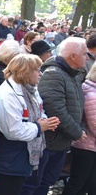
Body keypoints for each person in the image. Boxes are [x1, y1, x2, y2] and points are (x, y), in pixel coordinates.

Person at [22, 37, 88, 195]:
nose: (87, 58)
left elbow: (78, 106)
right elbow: (55, 109)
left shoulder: (73, 74)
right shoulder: (54, 74)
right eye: (85, 54)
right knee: (35, 184)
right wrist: (77, 132)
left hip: (60, 142)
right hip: (48, 143)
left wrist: (80, 127)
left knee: (47, 182)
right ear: (73, 56)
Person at [0, 55, 60, 195]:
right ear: (25, 72)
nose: (40, 73)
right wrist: (40, 127)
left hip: (22, 157)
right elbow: (13, 131)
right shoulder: (8, 95)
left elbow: (40, 111)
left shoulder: (30, 89)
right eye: (37, 70)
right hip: (11, 160)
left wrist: (46, 121)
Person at [62, 62, 96, 195]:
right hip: (86, 146)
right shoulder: (92, 95)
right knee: (78, 184)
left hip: (90, 145)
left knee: (89, 183)